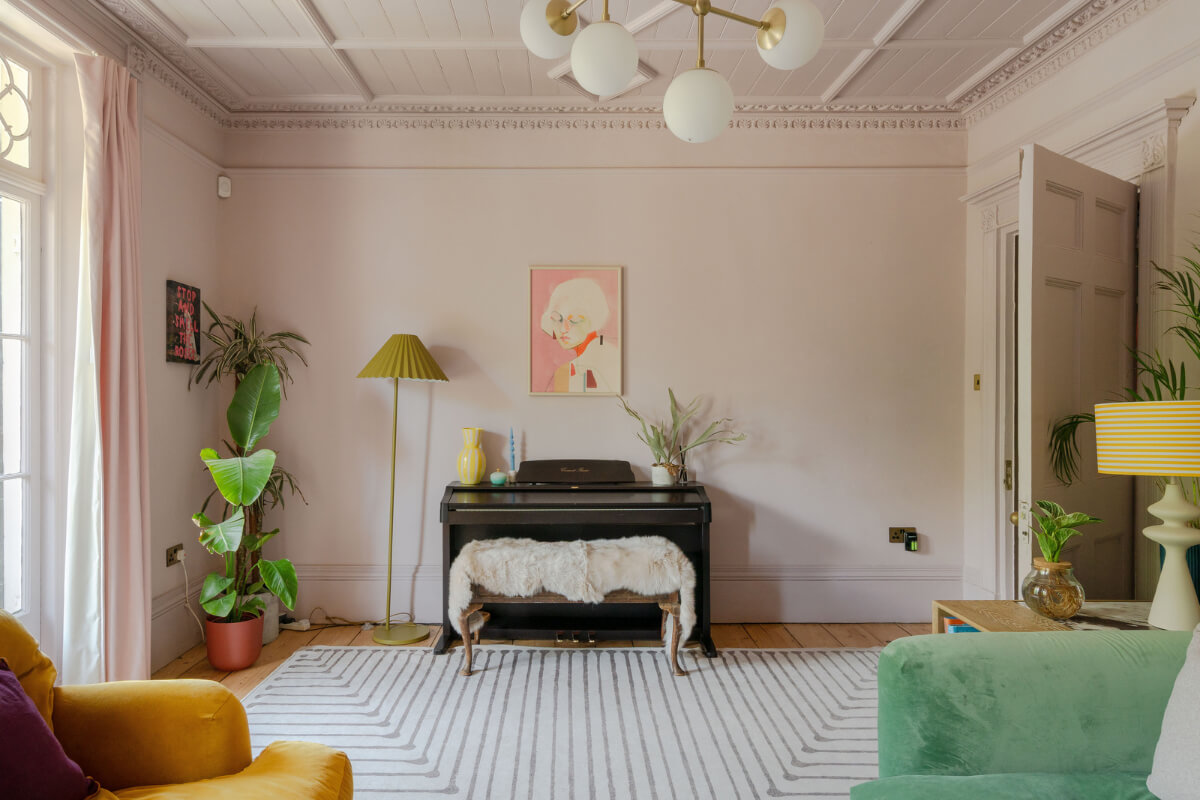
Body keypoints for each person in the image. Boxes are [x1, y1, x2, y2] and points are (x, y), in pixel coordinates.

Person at [539, 277, 618, 393]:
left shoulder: (610, 360)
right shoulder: (565, 373)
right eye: (557, 319)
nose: (563, 329)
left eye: (574, 320)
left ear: (594, 319)